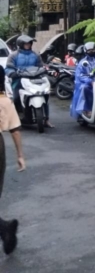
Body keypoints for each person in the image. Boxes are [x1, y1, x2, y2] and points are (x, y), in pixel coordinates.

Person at [0, 65, 25, 255]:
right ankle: (5, 229)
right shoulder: (5, 101)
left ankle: (5, 229)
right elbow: (15, 130)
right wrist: (20, 156)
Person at [5, 35, 53, 128]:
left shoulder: (36, 55)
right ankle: (16, 119)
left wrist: (45, 69)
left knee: (45, 95)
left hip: (35, 79)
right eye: (26, 43)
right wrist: (12, 73)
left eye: (29, 43)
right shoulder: (13, 55)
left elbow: (41, 65)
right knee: (15, 98)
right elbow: (8, 68)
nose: (28, 45)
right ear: (20, 44)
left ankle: (46, 119)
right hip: (19, 79)